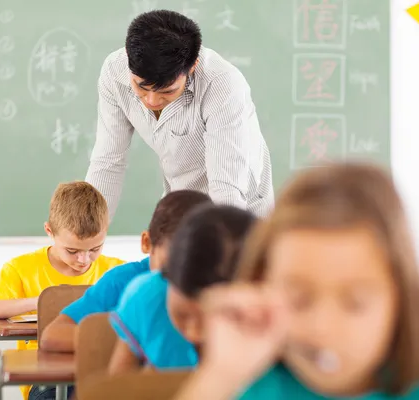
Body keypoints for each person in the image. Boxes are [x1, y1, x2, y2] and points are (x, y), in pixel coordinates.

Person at [175, 162, 419, 400]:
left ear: (400, 301)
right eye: (298, 300)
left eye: (355, 304)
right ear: (262, 285)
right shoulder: (252, 387)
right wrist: (220, 375)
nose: (322, 328)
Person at [86, 10, 273, 220]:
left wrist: (225, 243)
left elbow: (226, 188)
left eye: (167, 91)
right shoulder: (114, 72)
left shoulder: (223, 85)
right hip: (181, 199)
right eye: (141, 87)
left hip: (241, 206)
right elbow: (108, 161)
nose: (152, 101)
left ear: (192, 67)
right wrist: (89, 234)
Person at [32, 190, 212, 400]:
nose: (182, 274)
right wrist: (132, 337)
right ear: (147, 243)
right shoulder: (127, 283)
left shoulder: (218, 291)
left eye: (196, 262)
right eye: (170, 264)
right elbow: (53, 336)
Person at [0, 181, 124, 400]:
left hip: (103, 373)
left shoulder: (116, 271)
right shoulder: (23, 269)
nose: (84, 260)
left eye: (95, 249)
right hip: (47, 381)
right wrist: (40, 302)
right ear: (49, 231)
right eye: (72, 250)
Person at [108, 204, 256, 373]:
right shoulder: (148, 295)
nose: (193, 333)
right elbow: (116, 386)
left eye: (207, 319)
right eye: (182, 315)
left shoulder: (272, 321)